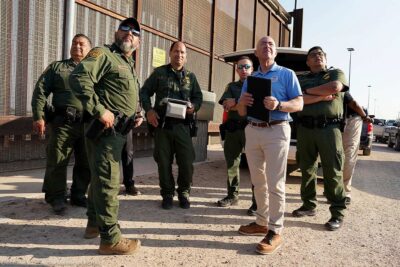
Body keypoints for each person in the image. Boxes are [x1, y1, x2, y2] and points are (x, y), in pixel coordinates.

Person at [69, 17, 142, 255]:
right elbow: (79, 78)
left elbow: (121, 94)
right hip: (105, 132)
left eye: (134, 32)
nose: (129, 33)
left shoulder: (127, 62)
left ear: (138, 42)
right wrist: (100, 110)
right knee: (108, 182)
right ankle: (110, 238)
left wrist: (136, 113)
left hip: (119, 131)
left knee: (98, 180)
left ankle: (93, 224)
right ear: (116, 32)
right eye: (125, 29)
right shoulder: (103, 54)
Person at [236, 36, 303, 255]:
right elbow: (242, 111)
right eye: (263, 44)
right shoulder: (251, 78)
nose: (267, 47)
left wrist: (280, 104)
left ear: (275, 52)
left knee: (275, 182)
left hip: (277, 128)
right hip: (253, 130)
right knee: (257, 181)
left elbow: (299, 103)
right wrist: (241, 104)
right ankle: (262, 222)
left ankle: (276, 230)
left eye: (271, 45)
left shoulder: (286, 74)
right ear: (256, 53)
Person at [31, 34, 92, 214]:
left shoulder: (94, 70)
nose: (77, 46)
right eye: (74, 43)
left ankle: (78, 195)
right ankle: (56, 197)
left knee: (86, 162)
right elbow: (40, 91)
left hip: (88, 123)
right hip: (63, 123)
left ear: (90, 49)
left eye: (82, 44)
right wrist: (39, 116)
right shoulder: (57, 67)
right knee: (57, 161)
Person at [140, 41, 203, 210]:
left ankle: (184, 193)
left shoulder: (191, 77)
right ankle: (167, 194)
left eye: (182, 52)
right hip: (163, 126)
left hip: (183, 127)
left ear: (186, 56)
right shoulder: (159, 73)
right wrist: (149, 110)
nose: (179, 55)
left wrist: (193, 108)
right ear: (170, 53)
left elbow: (198, 98)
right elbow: (144, 91)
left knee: (187, 161)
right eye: (176, 51)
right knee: (163, 161)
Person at [292, 46, 348, 231]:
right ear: (307, 61)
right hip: (305, 129)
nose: (317, 57)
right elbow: (297, 99)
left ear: (325, 59)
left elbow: (334, 87)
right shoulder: (300, 78)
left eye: (321, 54)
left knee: (332, 171)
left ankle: (337, 213)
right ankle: (309, 205)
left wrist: (308, 93)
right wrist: (322, 96)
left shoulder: (335, 73)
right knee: (306, 169)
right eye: (313, 55)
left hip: (329, 129)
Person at [217, 56, 257, 215]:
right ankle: (232, 195)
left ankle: (256, 201)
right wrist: (240, 103)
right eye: (240, 67)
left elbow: (257, 106)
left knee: (256, 167)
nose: (244, 70)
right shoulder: (231, 86)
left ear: (252, 69)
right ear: (236, 70)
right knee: (232, 164)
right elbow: (226, 105)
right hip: (233, 130)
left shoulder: (257, 86)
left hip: (252, 129)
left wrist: (236, 102)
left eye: (247, 66)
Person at [342, 92, 372, 204]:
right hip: (333, 121)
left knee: (348, 156)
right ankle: (335, 189)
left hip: (350, 119)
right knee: (335, 156)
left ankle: (345, 192)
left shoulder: (334, 81)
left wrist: (364, 116)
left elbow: (353, 104)